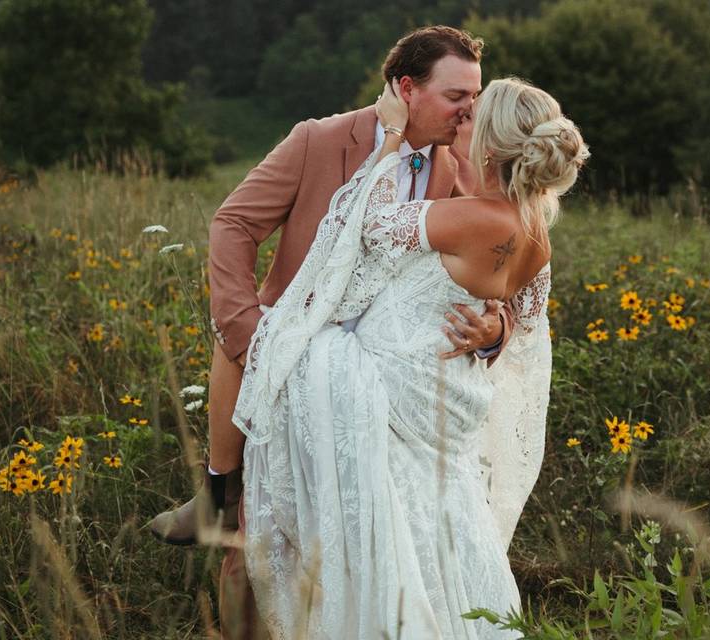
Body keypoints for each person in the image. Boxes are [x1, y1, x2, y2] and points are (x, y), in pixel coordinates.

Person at [148, 26, 515, 638]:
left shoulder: (460, 166)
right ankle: (218, 493)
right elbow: (233, 224)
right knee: (258, 537)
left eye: (475, 97)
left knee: (363, 541)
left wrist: (493, 327)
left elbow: (502, 261)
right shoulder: (318, 139)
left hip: (383, 388)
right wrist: (248, 330)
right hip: (294, 359)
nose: (470, 111)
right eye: (457, 96)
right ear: (406, 88)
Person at [231, 75, 588, 638]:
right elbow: (525, 316)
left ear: (491, 147)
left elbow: (373, 222)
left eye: (471, 118)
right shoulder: (534, 231)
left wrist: (392, 138)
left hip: (397, 388)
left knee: (297, 355)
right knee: (432, 523)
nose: (460, 120)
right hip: (445, 398)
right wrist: (494, 327)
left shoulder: (476, 219)